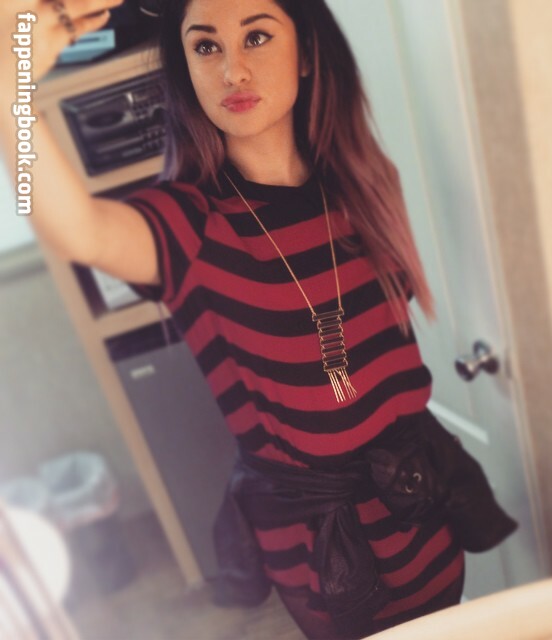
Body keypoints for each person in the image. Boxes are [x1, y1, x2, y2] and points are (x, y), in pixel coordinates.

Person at [0, 0, 518, 638]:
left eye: (257, 37)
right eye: (206, 46)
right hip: (323, 550)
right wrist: (10, 85)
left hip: (421, 502)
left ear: (306, 54)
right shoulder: (189, 226)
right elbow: (71, 229)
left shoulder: (364, 184)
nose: (233, 70)